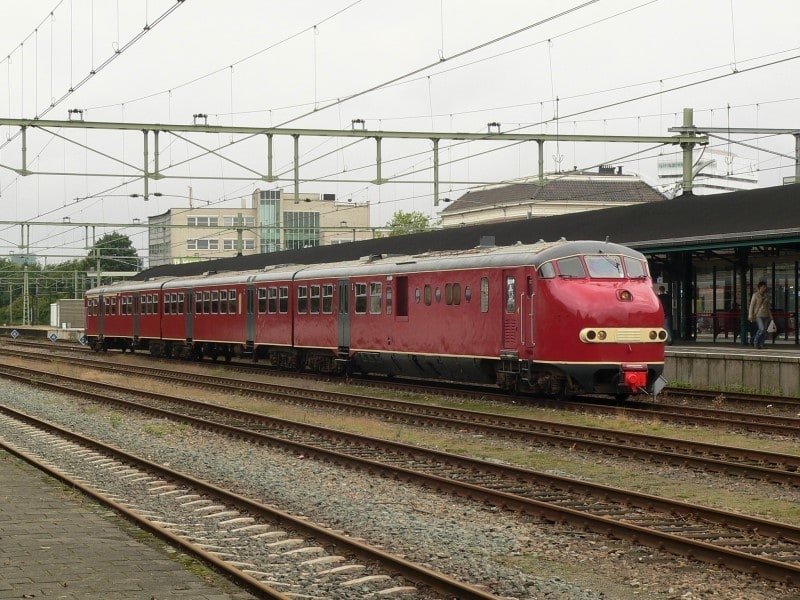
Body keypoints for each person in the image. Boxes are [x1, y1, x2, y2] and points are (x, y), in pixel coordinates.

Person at [748, 281, 773, 349]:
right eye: (763, 287)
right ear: (759, 288)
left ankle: (761, 344)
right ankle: (755, 342)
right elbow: (752, 305)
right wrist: (750, 315)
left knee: (764, 331)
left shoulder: (766, 296)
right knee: (761, 329)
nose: (764, 288)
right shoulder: (755, 295)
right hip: (758, 315)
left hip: (766, 315)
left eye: (765, 287)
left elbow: (768, 307)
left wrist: (771, 316)